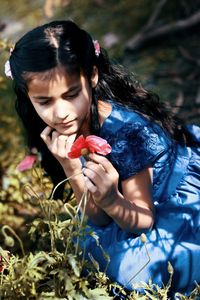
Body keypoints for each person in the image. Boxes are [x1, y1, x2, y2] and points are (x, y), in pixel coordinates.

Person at [6, 20, 200, 296]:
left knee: (133, 271)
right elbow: (97, 218)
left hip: (161, 203)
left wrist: (111, 199)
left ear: (92, 76)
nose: (60, 113)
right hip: (119, 202)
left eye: (71, 94)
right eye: (45, 102)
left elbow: (143, 220)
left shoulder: (128, 132)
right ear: (29, 96)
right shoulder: (62, 128)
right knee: (85, 245)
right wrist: (69, 164)